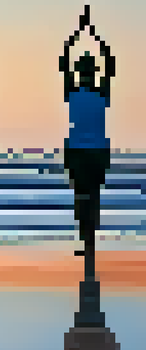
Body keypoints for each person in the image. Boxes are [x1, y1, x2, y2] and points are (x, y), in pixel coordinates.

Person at [62, 37, 112, 258]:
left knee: (82, 196)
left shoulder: (74, 92)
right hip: (95, 151)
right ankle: (89, 240)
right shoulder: (101, 92)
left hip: (81, 151)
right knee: (92, 195)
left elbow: (64, 65)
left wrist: (75, 38)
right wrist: (97, 39)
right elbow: (110, 65)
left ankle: (86, 239)